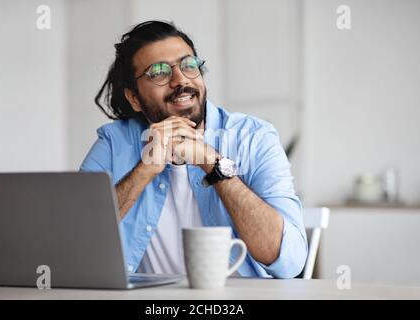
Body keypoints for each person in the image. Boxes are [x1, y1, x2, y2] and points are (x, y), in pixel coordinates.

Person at [80, 20, 307, 278]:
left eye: (188, 65)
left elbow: (289, 262)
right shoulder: (113, 143)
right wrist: (145, 170)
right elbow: (74, 242)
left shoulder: (253, 137)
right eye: (158, 72)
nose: (180, 80)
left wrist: (215, 165)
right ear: (134, 98)